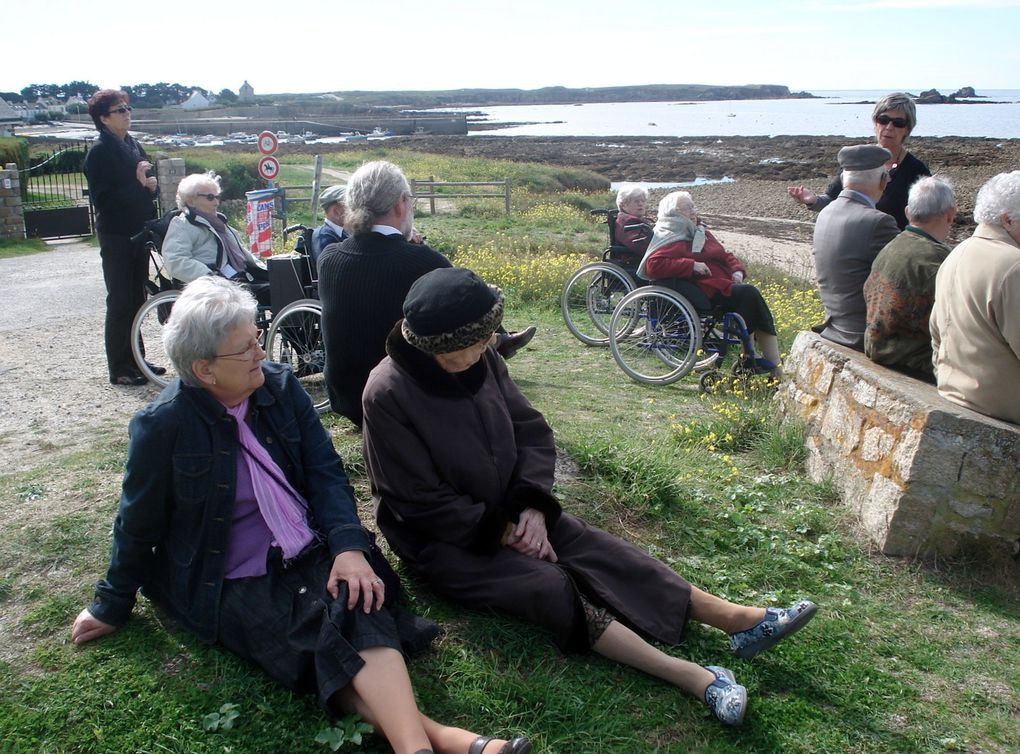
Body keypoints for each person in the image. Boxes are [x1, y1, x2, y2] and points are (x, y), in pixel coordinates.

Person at [69, 276, 532, 754]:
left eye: (256, 339)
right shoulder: (161, 426)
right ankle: (448, 743)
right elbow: (136, 521)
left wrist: (349, 547)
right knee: (317, 631)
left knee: (357, 599)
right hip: (231, 573)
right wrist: (110, 603)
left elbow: (325, 474)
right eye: (245, 348)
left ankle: (423, 747)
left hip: (305, 540)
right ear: (204, 369)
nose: (260, 353)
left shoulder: (279, 388)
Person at [362, 267, 818, 728]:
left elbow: (531, 430)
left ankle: (738, 620)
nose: (491, 346)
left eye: (488, 338)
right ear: (438, 347)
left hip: (512, 506)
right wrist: (501, 529)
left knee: (594, 547)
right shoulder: (387, 393)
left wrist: (532, 509)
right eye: (477, 342)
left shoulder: (484, 359)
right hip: (444, 540)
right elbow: (416, 500)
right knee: (546, 585)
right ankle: (698, 677)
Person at [318, 161, 535, 427]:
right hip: (403, 400)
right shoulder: (424, 261)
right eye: (410, 200)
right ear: (400, 204)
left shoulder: (328, 258)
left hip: (347, 398)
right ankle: (497, 341)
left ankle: (499, 340)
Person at [635, 191, 782, 372]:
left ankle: (760, 361)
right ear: (674, 214)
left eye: (693, 206)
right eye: (688, 208)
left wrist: (736, 270)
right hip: (704, 290)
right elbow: (653, 265)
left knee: (750, 301)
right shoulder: (669, 235)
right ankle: (766, 364)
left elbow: (724, 254)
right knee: (749, 295)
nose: (693, 211)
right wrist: (691, 265)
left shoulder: (700, 232)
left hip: (722, 284)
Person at [930, 171, 1020, 424]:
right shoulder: (1013, 266)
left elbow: (936, 332)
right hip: (1002, 403)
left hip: (954, 389)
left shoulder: (957, 253)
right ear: (1007, 220)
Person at [83, 89, 158, 386]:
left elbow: (146, 187)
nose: (127, 113)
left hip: (138, 230)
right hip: (116, 234)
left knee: (137, 298)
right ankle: (120, 367)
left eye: (127, 108)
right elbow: (102, 201)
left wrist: (150, 187)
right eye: (119, 110)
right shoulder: (100, 152)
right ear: (103, 118)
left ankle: (137, 359)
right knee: (120, 301)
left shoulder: (133, 144)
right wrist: (138, 183)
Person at [788, 92, 930, 230]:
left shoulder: (916, 171)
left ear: (908, 129)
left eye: (898, 122)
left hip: (893, 248)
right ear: (875, 121)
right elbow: (833, 200)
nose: (889, 127)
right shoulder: (858, 160)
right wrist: (812, 200)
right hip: (855, 244)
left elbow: (925, 218)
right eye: (883, 120)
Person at [863, 176, 956, 381]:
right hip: (911, 359)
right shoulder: (938, 261)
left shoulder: (893, 245)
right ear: (950, 215)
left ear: (907, 212)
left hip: (876, 347)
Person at [812, 144, 900, 351]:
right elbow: (902, 275)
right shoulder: (878, 222)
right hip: (862, 335)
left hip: (834, 327)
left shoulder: (826, 212)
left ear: (843, 179)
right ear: (882, 180)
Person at [161, 172, 267, 296]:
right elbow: (175, 260)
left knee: (285, 283)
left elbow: (243, 254)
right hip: (217, 285)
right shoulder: (183, 224)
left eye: (217, 197)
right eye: (210, 197)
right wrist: (211, 276)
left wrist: (266, 269)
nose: (216, 202)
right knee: (278, 293)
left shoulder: (220, 223)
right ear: (190, 201)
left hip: (241, 276)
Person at [613, 184, 653, 263]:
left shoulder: (630, 219)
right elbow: (641, 247)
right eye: (636, 201)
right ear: (624, 205)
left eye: (643, 201)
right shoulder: (627, 222)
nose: (641, 204)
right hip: (635, 261)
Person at [311, 184, 348, 263]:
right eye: (350, 205)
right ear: (336, 212)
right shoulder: (324, 237)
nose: (357, 210)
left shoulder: (342, 233)